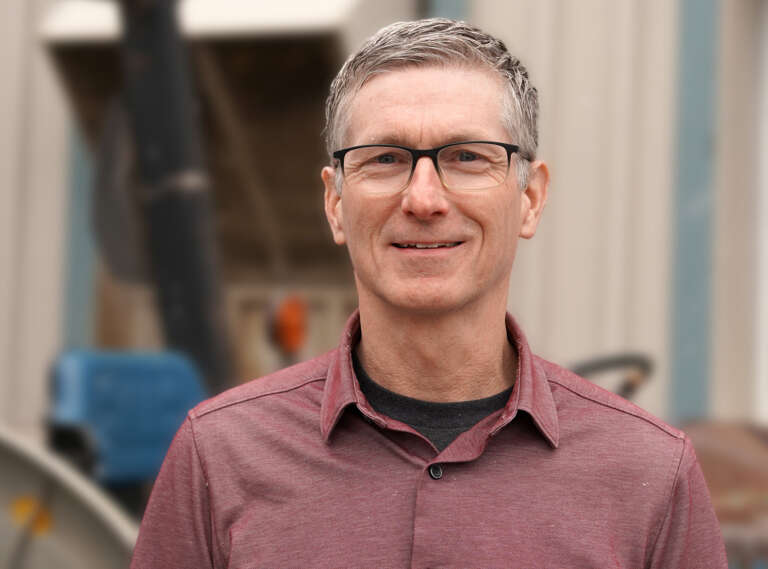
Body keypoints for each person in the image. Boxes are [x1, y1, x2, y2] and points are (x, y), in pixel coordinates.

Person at [130, 18, 727, 568]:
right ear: (336, 203)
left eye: (467, 157)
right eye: (385, 159)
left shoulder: (650, 473)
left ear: (530, 198)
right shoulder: (219, 456)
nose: (423, 199)